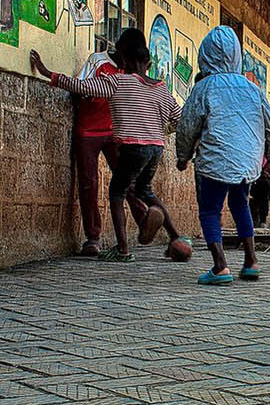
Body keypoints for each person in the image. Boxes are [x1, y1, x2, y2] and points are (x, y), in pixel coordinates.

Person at [30, 28, 181, 263]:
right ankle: (176, 238)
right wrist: (164, 132)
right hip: (149, 146)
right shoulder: (160, 87)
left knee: (118, 192)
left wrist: (49, 73)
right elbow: (178, 117)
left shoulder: (118, 81)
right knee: (138, 189)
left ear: (129, 58)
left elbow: (84, 87)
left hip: (127, 142)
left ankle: (124, 248)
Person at [175, 26, 270, 286]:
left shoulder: (204, 87)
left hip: (214, 160)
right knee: (240, 205)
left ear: (205, 55)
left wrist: (183, 156)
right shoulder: (252, 89)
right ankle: (251, 261)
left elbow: (187, 125)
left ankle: (220, 266)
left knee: (210, 210)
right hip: (246, 162)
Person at [69, 37, 150, 257]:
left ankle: (144, 219)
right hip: (88, 129)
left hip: (116, 132)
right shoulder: (98, 61)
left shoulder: (131, 70)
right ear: (122, 52)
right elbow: (80, 86)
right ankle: (92, 237)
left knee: (128, 180)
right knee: (88, 183)